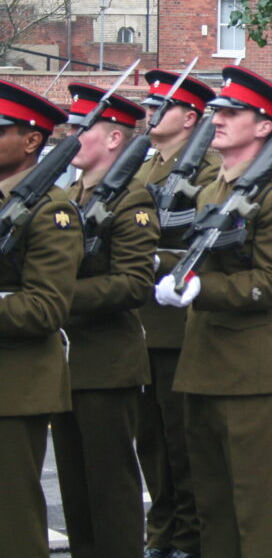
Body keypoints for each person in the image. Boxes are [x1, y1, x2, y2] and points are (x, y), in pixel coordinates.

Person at [154, 66, 272, 558]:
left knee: (255, 509)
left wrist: (202, 288)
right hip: (201, 364)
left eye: (231, 113)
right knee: (213, 508)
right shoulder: (213, 190)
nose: (217, 120)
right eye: (217, 111)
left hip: (248, 370)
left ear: (264, 126)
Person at [52, 84, 159, 558]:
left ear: (114, 139)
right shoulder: (69, 195)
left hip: (106, 362)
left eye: (82, 128)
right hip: (66, 361)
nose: (70, 135)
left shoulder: (130, 200)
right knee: (75, 489)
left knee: (110, 487)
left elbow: (134, 284)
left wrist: (57, 297)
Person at [135, 68, 218, 558]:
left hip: (177, 324)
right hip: (143, 324)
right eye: (148, 106)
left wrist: (157, 261)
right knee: (151, 441)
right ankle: (162, 530)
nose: (150, 113)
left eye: (159, 107)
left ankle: (191, 534)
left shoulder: (204, 172)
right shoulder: (143, 169)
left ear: (189, 117)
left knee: (182, 440)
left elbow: (199, 245)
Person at [0, 80, 83, 558]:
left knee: (11, 518)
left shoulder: (51, 211)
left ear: (32, 140)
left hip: (15, 385)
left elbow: (47, 306)